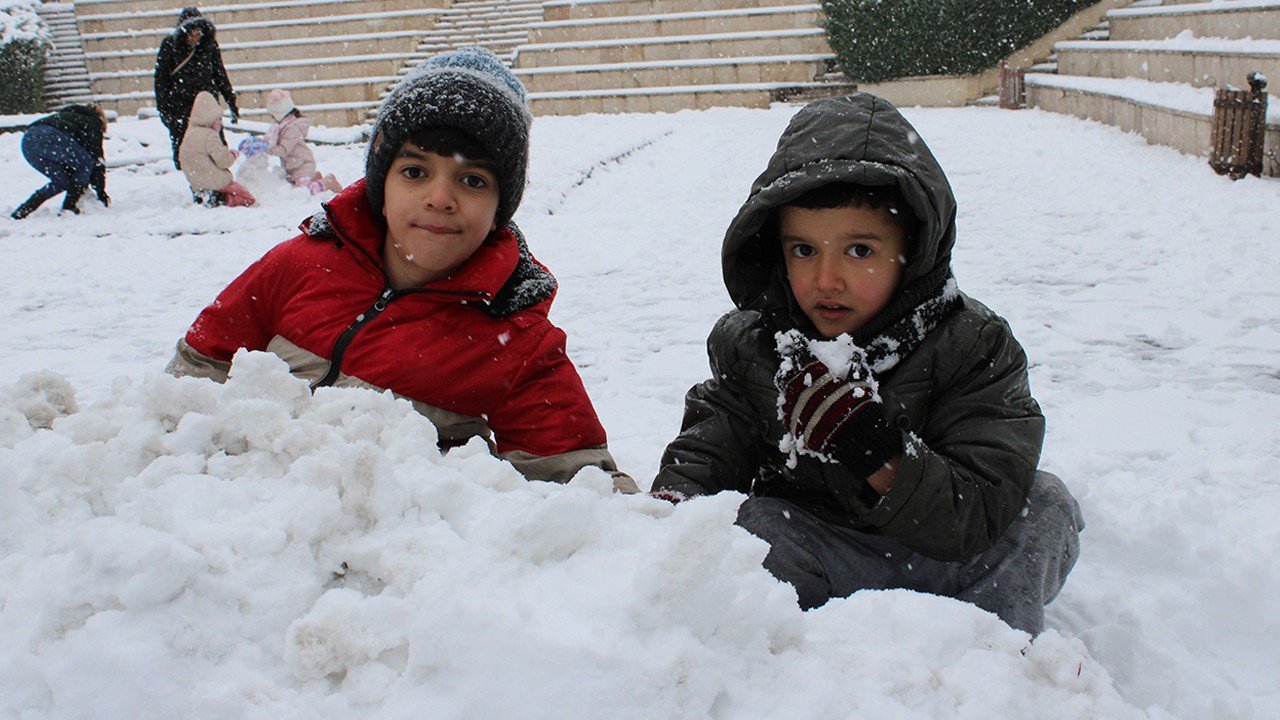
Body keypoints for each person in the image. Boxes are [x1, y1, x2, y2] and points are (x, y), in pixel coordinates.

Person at [650, 93, 1083, 635]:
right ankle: (789, 654)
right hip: (820, 553)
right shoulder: (757, 346)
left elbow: (979, 504)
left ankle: (994, 657)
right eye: (804, 251)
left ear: (913, 249)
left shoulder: (973, 345)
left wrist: (879, 456)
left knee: (1042, 507)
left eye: (859, 251)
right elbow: (711, 447)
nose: (827, 279)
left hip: (947, 559)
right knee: (751, 527)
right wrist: (675, 512)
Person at [166, 47, 633, 489]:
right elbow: (183, 390)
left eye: (472, 180)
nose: (439, 198)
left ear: (499, 210)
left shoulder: (518, 340)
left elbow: (583, 496)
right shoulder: (296, 266)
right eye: (415, 172)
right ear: (380, 185)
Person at [153, 6, 239, 169]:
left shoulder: (209, 45)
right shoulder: (170, 45)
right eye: (190, 34)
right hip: (181, 107)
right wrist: (164, 110)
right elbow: (161, 80)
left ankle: (217, 182)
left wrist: (231, 99)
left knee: (214, 147)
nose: (194, 38)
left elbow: (219, 73)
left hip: (207, 105)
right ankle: (199, 186)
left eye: (197, 34)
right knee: (188, 152)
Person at [11, 104, 110, 220]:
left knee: (62, 181)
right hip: (52, 135)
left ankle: (23, 210)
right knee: (86, 163)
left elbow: (71, 156)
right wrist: (100, 191)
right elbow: (97, 160)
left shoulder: (66, 116)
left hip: (28, 141)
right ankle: (69, 207)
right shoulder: (93, 122)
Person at [179, 91, 255, 207]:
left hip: (196, 181)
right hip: (214, 181)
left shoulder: (190, 133)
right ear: (210, 119)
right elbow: (223, 161)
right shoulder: (210, 136)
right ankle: (220, 198)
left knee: (205, 184)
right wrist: (232, 155)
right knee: (247, 197)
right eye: (218, 119)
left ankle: (204, 194)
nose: (220, 123)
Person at [264, 88, 342, 194]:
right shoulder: (282, 127)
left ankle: (329, 181)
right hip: (294, 166)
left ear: (280, 113)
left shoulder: (292, 128)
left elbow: (284, 150)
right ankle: (314, 177)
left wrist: (267, 148)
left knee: (306, 190)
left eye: (273, 115)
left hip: (303, 165)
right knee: (297, 186)